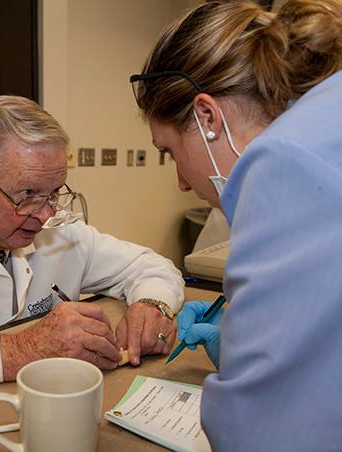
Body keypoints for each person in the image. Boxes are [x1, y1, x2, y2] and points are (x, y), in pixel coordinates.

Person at [130, 0, 342, 450]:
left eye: (169, 151)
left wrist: (249, 377)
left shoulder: (286, 160)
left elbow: (257, 435)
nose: (182, 183)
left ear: (207, 118)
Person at [0, 95, 184, 398]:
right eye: (28, 193)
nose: (46, 214)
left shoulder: (58, 230)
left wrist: (153, 305)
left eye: (54, 192)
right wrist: (18, 350)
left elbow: (148, 265)